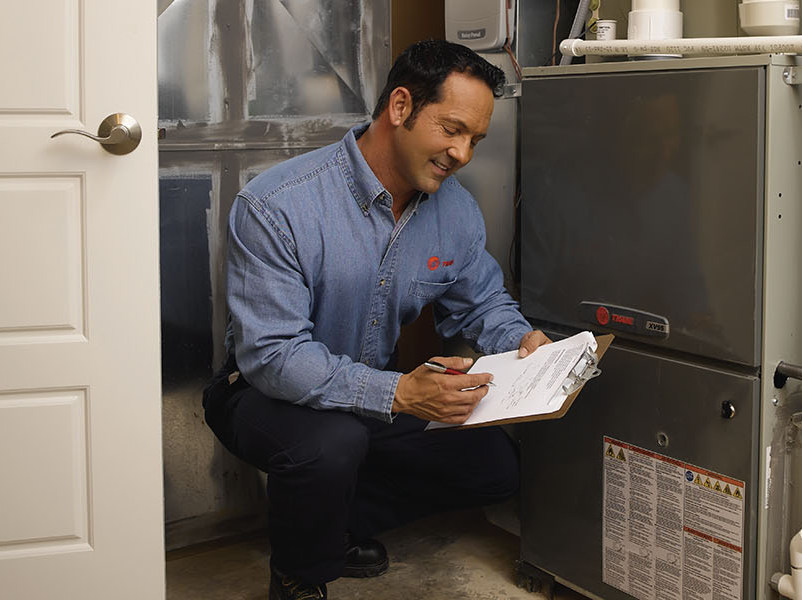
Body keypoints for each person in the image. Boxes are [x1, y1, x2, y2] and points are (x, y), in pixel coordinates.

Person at [202, 40, 550, 600]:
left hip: (376, 395)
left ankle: (328, 521)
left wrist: (526, 342)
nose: (462, 153)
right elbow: (273, 357)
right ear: (400, 107)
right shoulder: (277, 206)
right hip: (261, 393)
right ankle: (300, 571)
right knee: (330, 444)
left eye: (475, 140)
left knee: (494, 468)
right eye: (452, 129)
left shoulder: (454, 209)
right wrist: (402, 394)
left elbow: (482, 304)